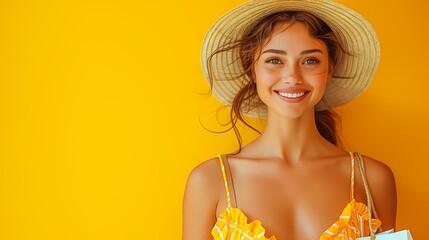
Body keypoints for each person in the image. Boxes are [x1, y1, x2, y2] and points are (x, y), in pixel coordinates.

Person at [183, 0, 397, 239]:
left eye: (310, 61)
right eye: (274, 60)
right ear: (252, 70)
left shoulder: (372, 179)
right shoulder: (209, 181)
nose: (292, 77)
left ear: (329, 71)